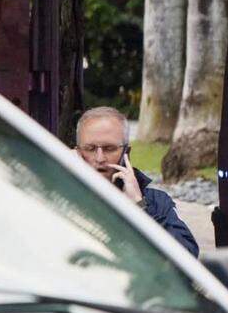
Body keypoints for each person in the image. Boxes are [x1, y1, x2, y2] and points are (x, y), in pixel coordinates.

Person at [74, 106, 199, 256]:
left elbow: (187, 256)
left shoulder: (156, 202)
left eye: (109, 148)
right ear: (77, 152)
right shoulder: (53, 195)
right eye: (90, 148)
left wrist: (140, 208)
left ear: (127, 153)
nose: (100, 158)